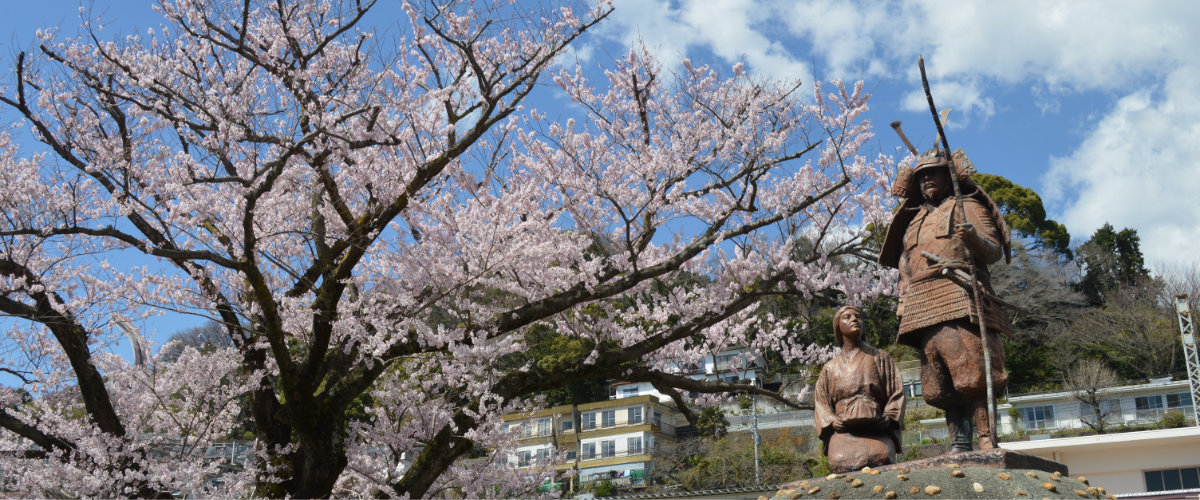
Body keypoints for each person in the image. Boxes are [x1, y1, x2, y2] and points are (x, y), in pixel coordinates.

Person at [877, 151, 1012, 451]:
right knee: (939, 384)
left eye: (932, 173)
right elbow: (905, 266)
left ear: (947, 175)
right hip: (922, 303)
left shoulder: (967, 206)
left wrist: (973, 238)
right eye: (921, 176)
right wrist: (903, 297)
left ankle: (987, 437)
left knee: (974, 371)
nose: (926, 179)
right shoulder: (913, 220)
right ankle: (959, 440)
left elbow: (993, 251)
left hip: (959, 291)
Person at [814, 305, 905, 473]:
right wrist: (833, 421)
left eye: (858, 317)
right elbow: (821, 402)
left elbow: (896, 392)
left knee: (882, 456)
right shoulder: (829, 368)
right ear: (838, 327)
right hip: (843, 432)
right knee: (839, 461)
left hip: (877, 428)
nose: (854, 320)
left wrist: (889, 417)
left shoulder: (881, 358)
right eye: (847, 317)